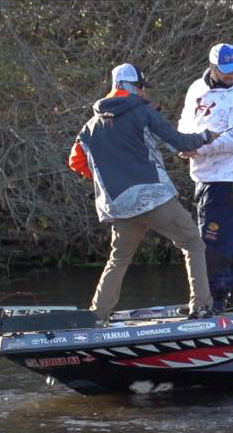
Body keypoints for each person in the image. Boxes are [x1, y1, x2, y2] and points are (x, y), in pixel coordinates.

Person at [68, 63, 219, 321]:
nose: (145, 93)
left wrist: (110, 177)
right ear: (131, 88)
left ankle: (98, 314)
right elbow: (179, 141)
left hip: (118, 204)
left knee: (119, 258)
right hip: (153, 196)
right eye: (142, 88)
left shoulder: (89, 127)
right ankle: (202, 306)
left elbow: (75, 162)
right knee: (193, 242)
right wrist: (206, 135)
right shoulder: (142, 112)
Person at [177, 43, 233, 312]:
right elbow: (184, 124)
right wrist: (182, 143)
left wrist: (198, 146)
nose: (230, 76)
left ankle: (213, 298)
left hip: (230, 179)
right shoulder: (196, 89)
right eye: (225, 71)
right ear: (212, 67)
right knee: (225, 240)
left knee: (210, 242)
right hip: (203, 176)